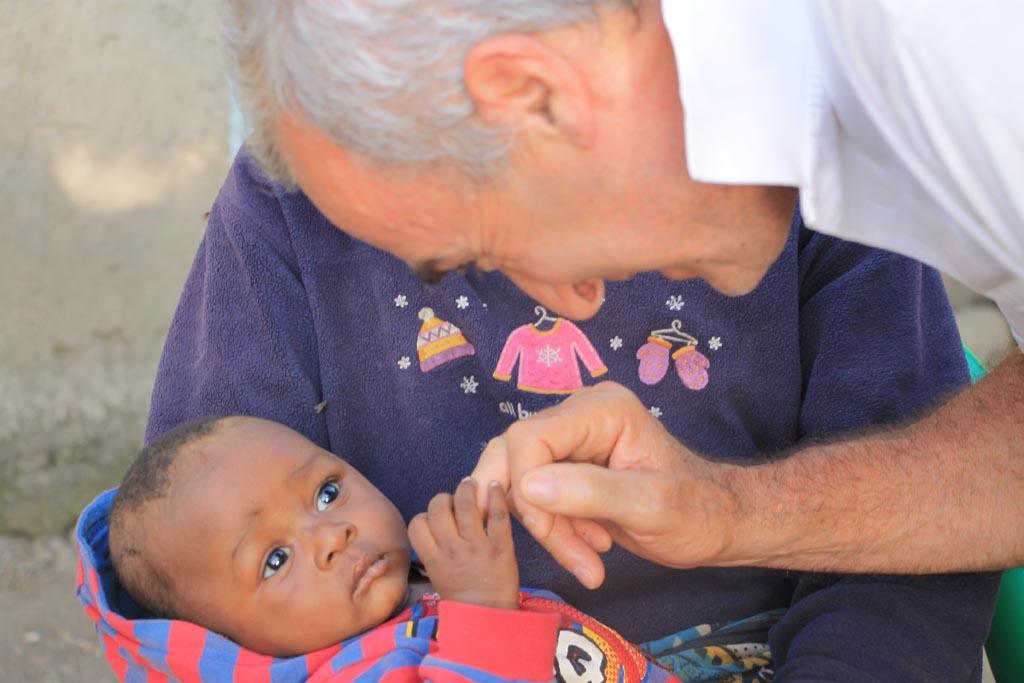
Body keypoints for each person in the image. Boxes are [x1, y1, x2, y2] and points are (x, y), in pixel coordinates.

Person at [215, 0, 1024, 577]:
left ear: (531, 90)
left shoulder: (956, 58)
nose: (568, 307)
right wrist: (728, 513)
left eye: (486, 248)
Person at [144, 140, 998, 679]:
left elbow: (919, 529)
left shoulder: (809, 141)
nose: (574, 296)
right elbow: (206, 587)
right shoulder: (298, 182)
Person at [77, 416, 678, 682]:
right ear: (232, 643)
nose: (331, 536)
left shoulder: (413, 595)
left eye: (326, 492)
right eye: (275, 560)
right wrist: (482, 611)